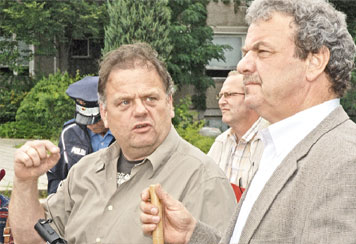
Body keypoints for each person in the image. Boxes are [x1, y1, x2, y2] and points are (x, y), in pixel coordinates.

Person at [140, 0, 356, 243]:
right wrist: (192, 235)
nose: (242, 65)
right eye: (245, 54)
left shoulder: (346, 163)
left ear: (315, 61)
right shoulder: (279, 145)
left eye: (262, 51)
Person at [9, 43, 236, 244]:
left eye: (150, 98)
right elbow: (31, 239)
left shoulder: (203, 178)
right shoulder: (83, 172)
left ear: (170, 104)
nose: (140, 110)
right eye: (125, 102)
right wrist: (25, 181)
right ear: (105, 115)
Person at [47, 76, 115, 194]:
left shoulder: (126, 133)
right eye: (84, 119)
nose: (89, 125)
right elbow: (56, 176)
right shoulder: (69, 133)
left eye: (94, 120)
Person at [208, 71, 268, 200]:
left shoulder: (271, 140)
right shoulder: (221, 142)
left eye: (229, 95)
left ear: (251, 97)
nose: (221, 102)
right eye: (221, 96)